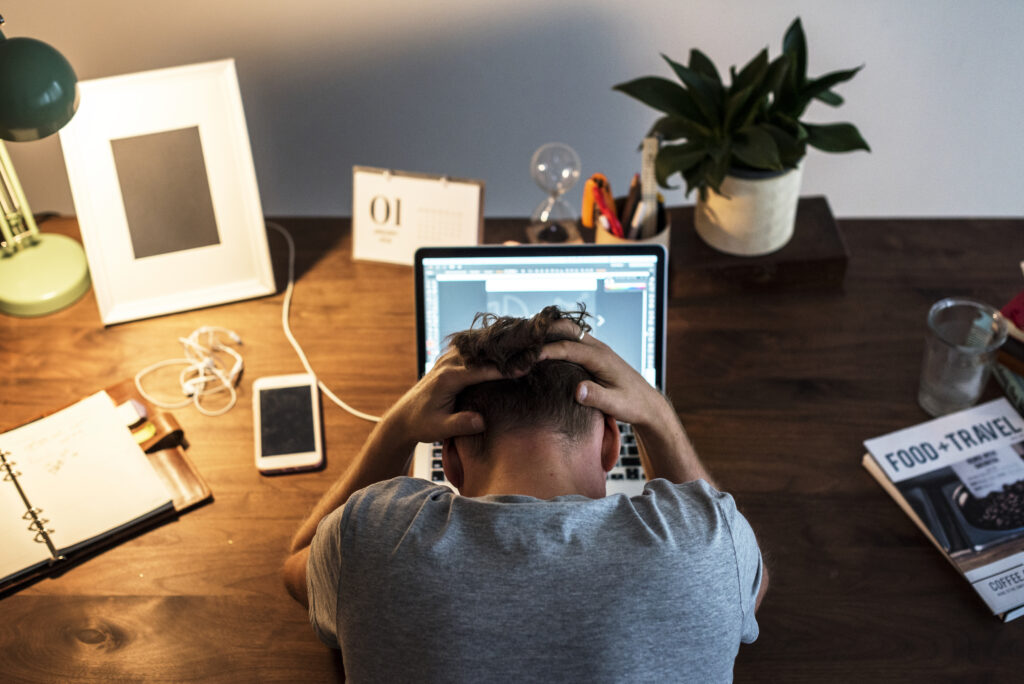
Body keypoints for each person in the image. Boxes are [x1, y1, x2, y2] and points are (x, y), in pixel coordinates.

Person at [283, 306, 767, 682]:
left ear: (448, 460)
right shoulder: (709, 547)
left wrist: (396, 428)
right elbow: (751, 591)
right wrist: (657, 414)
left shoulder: (371, 539)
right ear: (612, 444)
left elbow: (297, 564)